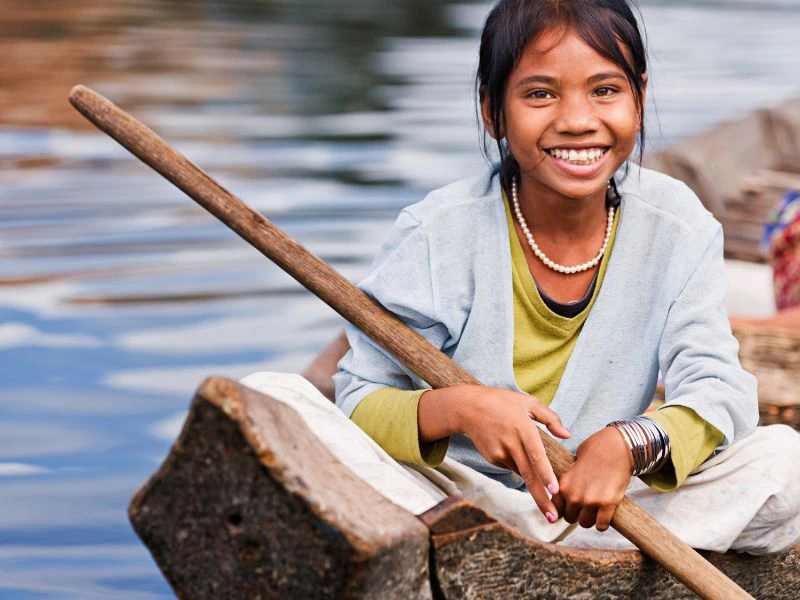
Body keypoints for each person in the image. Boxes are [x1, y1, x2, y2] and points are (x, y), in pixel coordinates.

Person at [322, 0, 800, 555]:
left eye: (605, 90)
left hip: (600, 510)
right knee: (280, 400)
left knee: (785, 464)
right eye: (540, 94)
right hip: (445, 499)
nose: (577, 120)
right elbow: (357, 402)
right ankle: (486, 545)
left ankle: (529, 552)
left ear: (639, 100)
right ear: (492, 111)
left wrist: (632, 444)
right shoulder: (436, 232)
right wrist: (460, 409)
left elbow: (720, 389)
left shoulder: (679, 226)